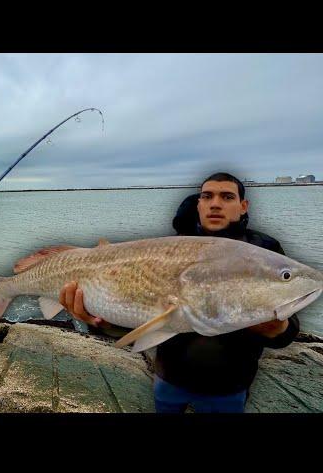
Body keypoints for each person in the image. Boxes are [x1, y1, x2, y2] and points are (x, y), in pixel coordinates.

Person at [59, 172, 299, 413]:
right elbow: (136, 316)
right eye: (207, 196)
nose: (215, 203)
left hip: (229, 387)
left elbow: (288, 329)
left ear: (243, 206)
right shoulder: (166, 252)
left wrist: (277, 328)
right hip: (169, 379)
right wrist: (98, 321)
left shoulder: (267, 252)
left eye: (227, 196)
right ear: (199, 204)